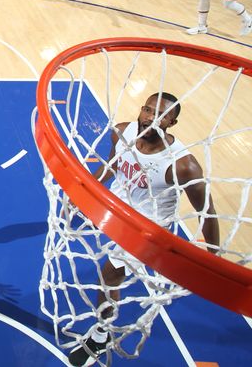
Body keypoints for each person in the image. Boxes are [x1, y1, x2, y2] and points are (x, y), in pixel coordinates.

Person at [67, 92, 220, 366]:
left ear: (172, 123)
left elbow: (206, 211)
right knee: (107, 267)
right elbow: (111, 165)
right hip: (118, 208)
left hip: (147, 228)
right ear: (141, 109)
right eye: (148, 110)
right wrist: (84, 191)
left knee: (108, 276)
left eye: (160, 116)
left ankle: (101, 336)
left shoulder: (183, 165)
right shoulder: (123, 132)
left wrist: (214, 257)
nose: (151, 118)